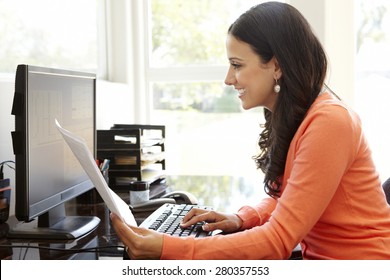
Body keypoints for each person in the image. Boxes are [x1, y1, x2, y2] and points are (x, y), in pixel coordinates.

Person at [110, 1, 390, 259]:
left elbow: (277, 240)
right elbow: (292, 200)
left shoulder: (331, 122)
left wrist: (167, 247)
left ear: (277, 65)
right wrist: (241, 218)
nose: (228, 79)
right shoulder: (299, 114)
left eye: (237, 65)